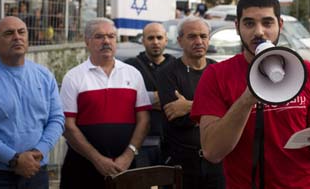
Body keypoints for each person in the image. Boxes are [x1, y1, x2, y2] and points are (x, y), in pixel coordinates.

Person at [190, 0, 310, 189]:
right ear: (237, 27)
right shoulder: (216, 76)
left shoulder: (307, 72)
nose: (259, 32)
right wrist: (246, 99)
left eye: (267, 23)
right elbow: (212, 152)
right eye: (249, 23)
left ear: (280, 25)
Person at [59, 17, 151, 188]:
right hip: (82, 167)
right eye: (99, 36)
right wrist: (97, 159)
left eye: (111, 36)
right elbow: (67, 125)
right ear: (87, 41)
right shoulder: (73, 77)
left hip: (125, 168)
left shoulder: (133, 74)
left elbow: (144, 120)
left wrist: (128, 155)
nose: (106, 41)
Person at [0, 16, 65, 188]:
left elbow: (57, 119)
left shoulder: (44, 76)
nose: (17, 37)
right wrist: (13, 159)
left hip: (37, 172)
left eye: (21, 32)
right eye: (9, 33)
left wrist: (39, 152)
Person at [158, 17, 224, 189]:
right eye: (192, 36)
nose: (199, 41)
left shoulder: (218, 71)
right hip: (181, 163)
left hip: (216, 162)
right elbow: (176, 118)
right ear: (180, 40)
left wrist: (189, 106)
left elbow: (227, 115)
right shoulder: (167, 73)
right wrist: (212, 113)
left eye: (203, 36)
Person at [125, 22, 175, 167]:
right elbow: (126, 100)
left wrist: (144, 99)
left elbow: (182, 98)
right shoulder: (130, 67)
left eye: (159, 38)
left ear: (166, 39)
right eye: (150, 38)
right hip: (141, 141)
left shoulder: (176, 66)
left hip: (172, 140)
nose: (155, 42)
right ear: (143, 40)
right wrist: (158, 98)